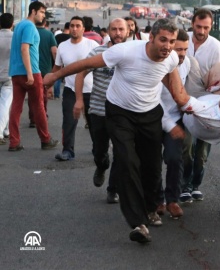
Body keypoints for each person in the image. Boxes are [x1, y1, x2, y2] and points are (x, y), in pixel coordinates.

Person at [44, 18, 191, 244]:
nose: (168, 46)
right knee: (127, 161)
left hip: (150, 114)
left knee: (151, 165)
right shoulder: (125, 52)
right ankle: (139, 223)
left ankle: (151, 208)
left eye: (171, 41)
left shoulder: (171, 58)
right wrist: (55, 76)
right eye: (163, 40)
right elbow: (86, 64)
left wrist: (207, 113)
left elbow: (178, 92)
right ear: (150, 37)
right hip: (119, 112)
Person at [72, 18, 128, 203]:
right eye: (114, 29)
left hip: (123, 114)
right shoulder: (98, 52)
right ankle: (102, 165)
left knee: (121, 153)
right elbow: (81, 73)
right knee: (99, 151)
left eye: (121, 29)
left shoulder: (133, 53)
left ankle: (114, 189)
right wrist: (79, 100)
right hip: (97, 110)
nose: (118, 33)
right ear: (108, 31)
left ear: (128, 31)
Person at [180, 8, 220, 203]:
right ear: (192, 24)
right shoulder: (182, 40)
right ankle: (184, 185)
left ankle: (196, 184)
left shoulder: (216, 46)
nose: (202, 31)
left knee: (201, 154)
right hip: (182, 102)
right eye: (199, 26)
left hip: (206, 104)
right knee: (186, 148)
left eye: (206, 27)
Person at [8, 1, 59, 152]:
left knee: (16, 108)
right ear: (34, 11)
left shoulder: (19, 26)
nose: (43, 16)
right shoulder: (30, 27)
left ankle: (14, 142)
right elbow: (25, 49)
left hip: (16, 72)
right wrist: (30, 73)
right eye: (42, 12)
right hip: (31, 72)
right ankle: (45, 139)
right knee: (39, 106)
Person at [155, 29, 192, 219]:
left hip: (175, 118)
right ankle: (157, 200)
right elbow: (153, 101)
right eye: (178, 49)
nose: (182, 54)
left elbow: (193, 90)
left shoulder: (186, 64)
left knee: (174, 158)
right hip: (153, 118)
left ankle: (172, 200)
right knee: (152, 161)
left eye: (186, 49)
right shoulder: (155, 65)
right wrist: (169, 124)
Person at [51, 16, 99, 161]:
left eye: (78, 26)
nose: (74, 28)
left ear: (83, 29)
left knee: (94, 123)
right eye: (72, 25)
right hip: (71, 89)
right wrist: (50, 85)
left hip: (92, 90)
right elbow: (57, 68)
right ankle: (68, 151)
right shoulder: (63, 46)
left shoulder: (93, 45)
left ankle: (98, 149)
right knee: (69, 121)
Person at [28, 18, 57, 126]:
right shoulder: (49, 35)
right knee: (43, 94)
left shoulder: (31, 32)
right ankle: (43, 115)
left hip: (31, 69)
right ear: (45, 23)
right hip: (45, 69)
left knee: (32, 95)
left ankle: (33, 118)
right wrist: (56, 66)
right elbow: (54, 51)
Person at [0, 13, 14, 144]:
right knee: (5, 104)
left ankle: (6, 130)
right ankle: (1, 131)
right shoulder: (15, 37)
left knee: (5, 104)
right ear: (12, 24)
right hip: (9, 75)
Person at [53, 22, 71, 99]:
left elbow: (54, 47)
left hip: (58, 57)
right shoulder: (70, 37)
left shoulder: (57, 36)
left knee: (58, 75)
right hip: (68, 59)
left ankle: (56, 94)